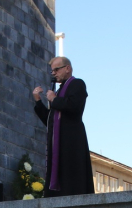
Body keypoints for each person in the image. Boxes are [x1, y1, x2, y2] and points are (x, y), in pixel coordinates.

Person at [32, 56, 94, 197]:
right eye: (52, 71)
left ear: (67, 68)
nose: (53, 73)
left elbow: (74, 107)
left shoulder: (77, 84)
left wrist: (54, 99)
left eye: (56, 69)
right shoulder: (59, 92)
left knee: (72, 177)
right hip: (58, 143)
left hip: (72, 141)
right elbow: (50, 120)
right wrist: (38, 102)